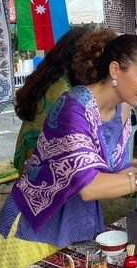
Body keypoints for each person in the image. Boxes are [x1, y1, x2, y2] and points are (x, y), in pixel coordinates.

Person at [0, 30, 137, 268]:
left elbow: (119, 172)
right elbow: (89, 187)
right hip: (34, 224)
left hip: (75, 223)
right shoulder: (73, 107)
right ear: (115, 70)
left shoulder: (123, 108)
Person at [13, 27, 89, 175]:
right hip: (43, 166)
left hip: (33, 159)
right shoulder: (63, 91)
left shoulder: (51, 77)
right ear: (79, 59)